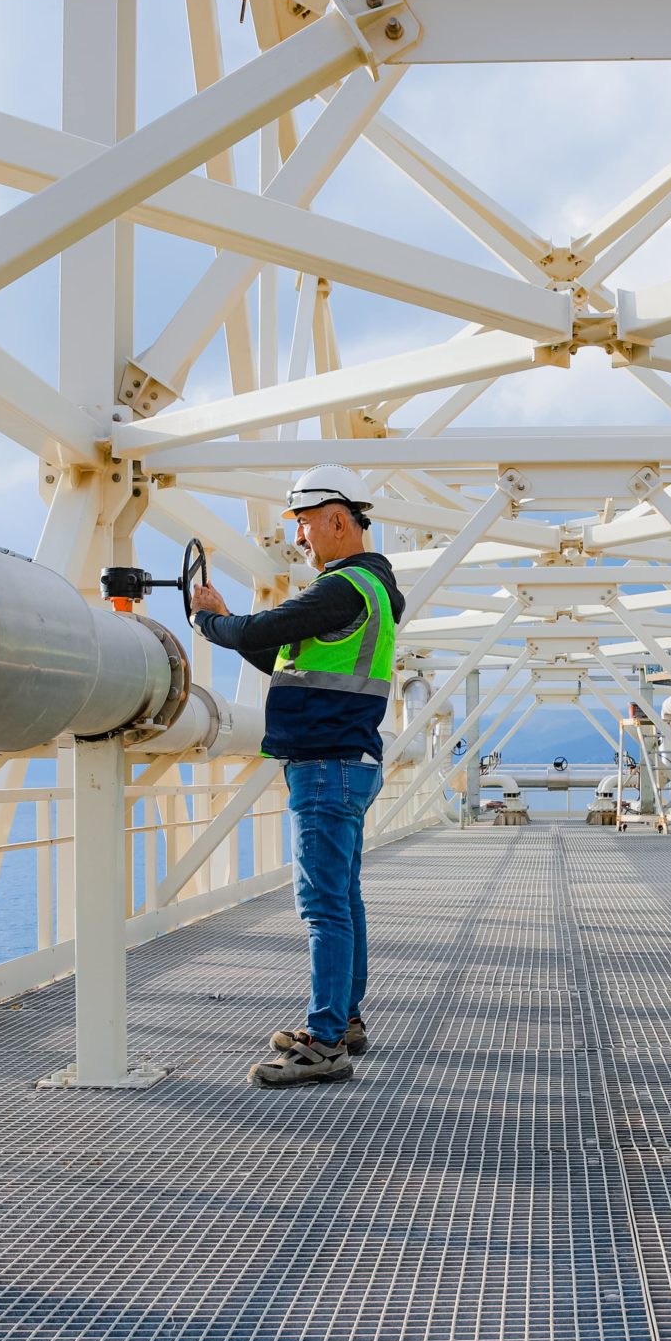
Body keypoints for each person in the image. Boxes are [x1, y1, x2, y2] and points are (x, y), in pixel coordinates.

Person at [189, 463, 405, 1087]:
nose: (300, 540)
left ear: (339, 520)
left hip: (326, 764)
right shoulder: (372, 591)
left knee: (322, 905)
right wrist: (232, 625)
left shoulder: (344, 587)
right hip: (348, 761)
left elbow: (261, 630)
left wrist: (209, 622)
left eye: (306, 525)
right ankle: (346, 1019)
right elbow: (280, 656)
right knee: (343, 899)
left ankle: (326, 1039)